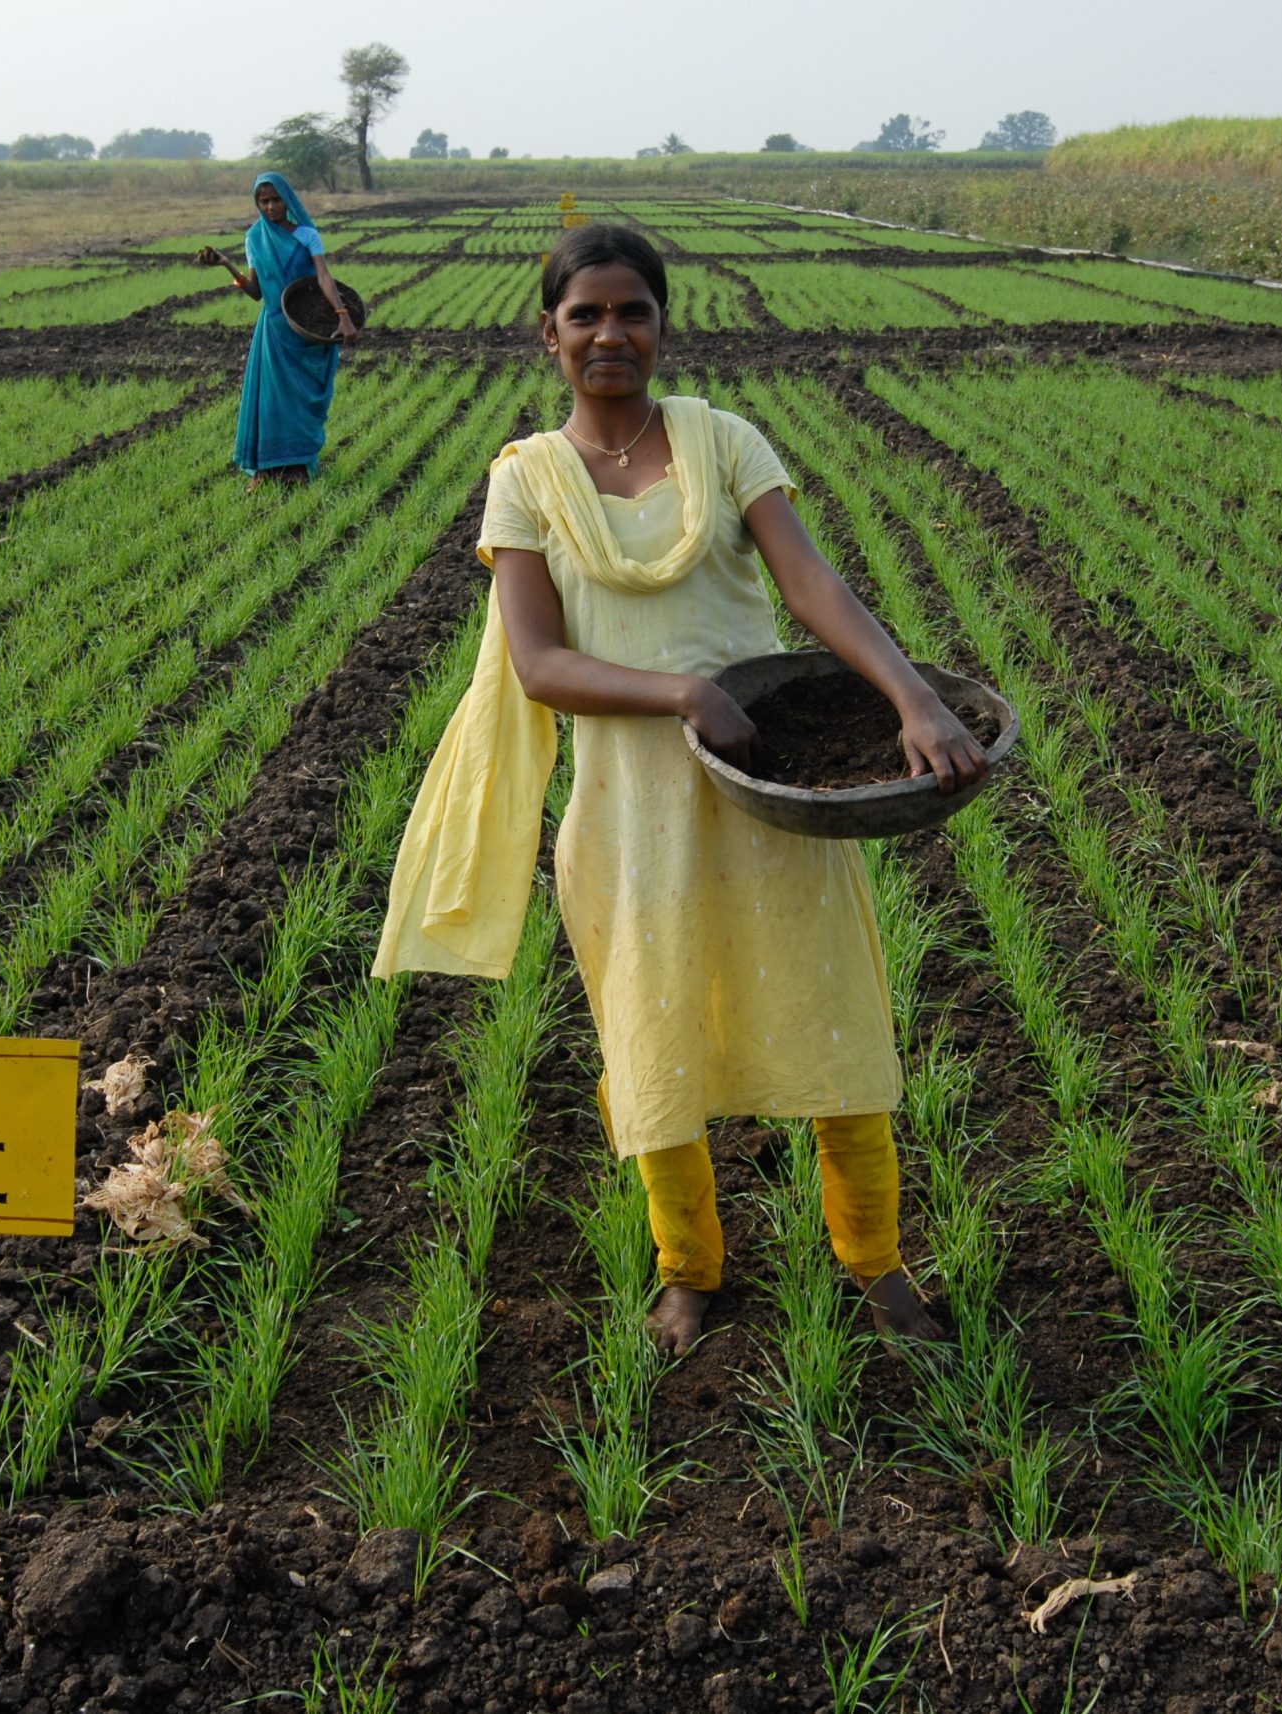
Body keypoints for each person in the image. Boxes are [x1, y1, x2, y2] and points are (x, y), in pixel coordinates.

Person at [374, 223, 988, 1356]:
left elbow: (809, 583)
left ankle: (879, 1266)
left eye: (633, 312)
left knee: (836, 1025)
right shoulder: (526, 480)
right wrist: (681, 694)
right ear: (547, 333)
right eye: (586, 315)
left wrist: (913, 697)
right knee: (652, 1042)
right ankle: (689, 1269)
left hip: (771, 793)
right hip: (629, 816)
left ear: (662, 325)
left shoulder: (721, 439)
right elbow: (540, 662)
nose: (611, 333)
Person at [199, 172, 357, 486]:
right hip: (273, 331)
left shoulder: (307, 235)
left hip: (306, 329)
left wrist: (342, 314)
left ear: (287, 200)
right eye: (264, 201)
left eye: (275, 200)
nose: (270, 207)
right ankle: (265, 471)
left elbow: (324, 278)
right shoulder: (254, 238)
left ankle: (297, 467)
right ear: (257, 204)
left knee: (301, 401)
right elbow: (255, 290)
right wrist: (227, 266)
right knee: (270, 401)